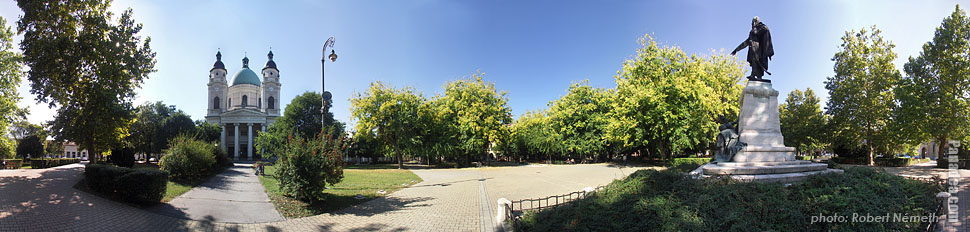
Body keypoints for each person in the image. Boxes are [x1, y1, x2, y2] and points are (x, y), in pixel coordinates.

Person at [731, 16, 774, 81]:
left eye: (755, 21)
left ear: (758, 21)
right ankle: (753, 75)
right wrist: (736, 50)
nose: (753, 23)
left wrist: (756, 28)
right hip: (753, 50)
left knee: (758, 63)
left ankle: (757, 77)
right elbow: (745, 43)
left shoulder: (762, 28)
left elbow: (766, 30)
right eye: (752, 22)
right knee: (754, 62)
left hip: (759, 50)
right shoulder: (751, 33)